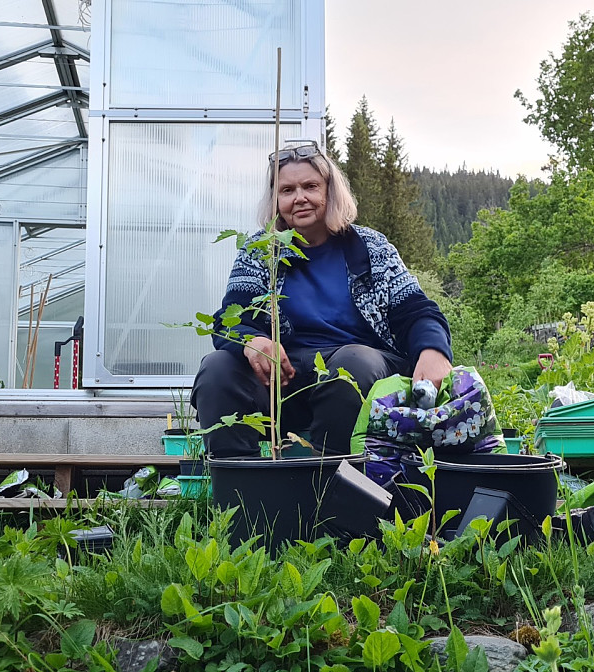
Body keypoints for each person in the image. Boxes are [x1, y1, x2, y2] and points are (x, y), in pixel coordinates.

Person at [191, 140, 453, 458]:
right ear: (276, 200)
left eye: (310, 186)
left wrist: (433, 350)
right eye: (287, 190)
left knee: (352, 363)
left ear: (330, 193)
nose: (299, 197)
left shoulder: (370, 248)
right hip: (283, 382)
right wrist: (253, 341)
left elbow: (415, 310)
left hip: (359, 377)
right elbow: (231, 320)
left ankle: (331, 489)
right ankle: (239, 493)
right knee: (217, 367)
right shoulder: (262, 251)